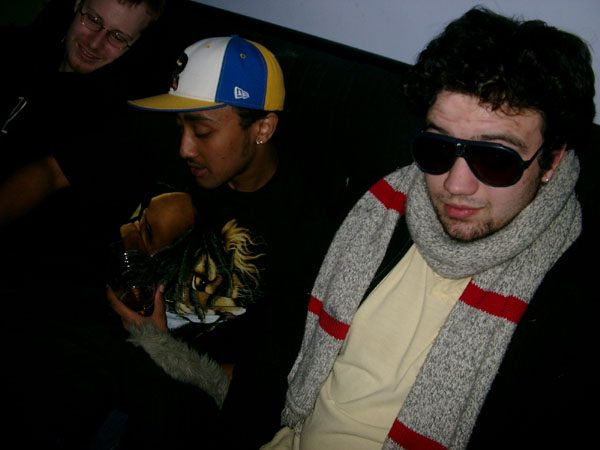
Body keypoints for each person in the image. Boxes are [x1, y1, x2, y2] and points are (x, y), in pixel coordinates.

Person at [261, 6, 597, 450]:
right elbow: (272, 348)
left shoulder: (575, 300)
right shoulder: (373, 212)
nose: (455, 185)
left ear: (552, 161)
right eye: (438, 147)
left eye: (495, 158)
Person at [11, 35, 335, 450]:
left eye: (202, 131)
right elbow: (51, 170)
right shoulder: (162, 142)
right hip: (83, 331)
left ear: (262, 129)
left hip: (175, 384)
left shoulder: (306, 226)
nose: (185, 147)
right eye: (180, 124)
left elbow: (270, 377)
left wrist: (161, 346)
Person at [0, 0, 170, 316]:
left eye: (117, 37)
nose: (94, 43)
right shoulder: (26, 49)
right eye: (92, 19)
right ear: (77, 3)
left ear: (136, 43)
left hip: (31, 287)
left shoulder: (117, 111)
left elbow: (44, 175)